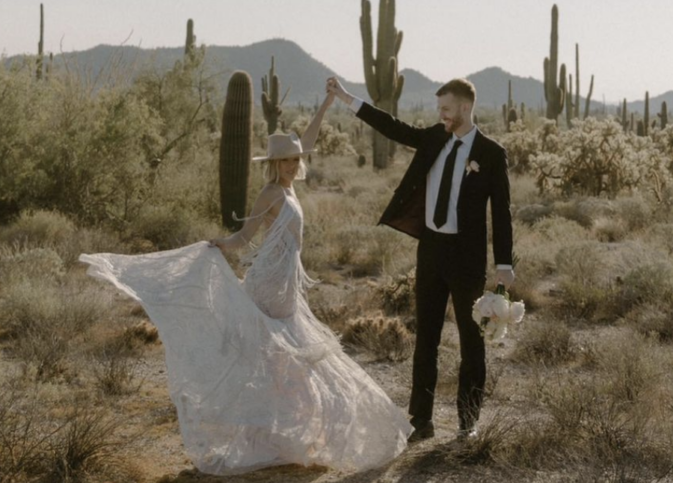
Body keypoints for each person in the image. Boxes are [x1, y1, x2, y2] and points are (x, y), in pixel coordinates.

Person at [80, 92, 410, 474]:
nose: (292, 165)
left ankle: (282, 431)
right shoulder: (271, 192)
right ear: (273, 163)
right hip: (270, 283)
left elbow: (309, 140)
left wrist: (325, 104)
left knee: (283, 360)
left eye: (295, 159)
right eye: (285, 160)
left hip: (286, 284)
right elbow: (244, 238)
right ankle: (272, 432)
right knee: (276, 358)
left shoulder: (290, 188)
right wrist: (219, 245)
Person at [327, 75, 514, 442]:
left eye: (446, 109)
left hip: (467, 258)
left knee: (471, 342)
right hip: (430, 251)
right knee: (426, 337)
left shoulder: (491, 154)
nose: (441, 115)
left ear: (464, 108)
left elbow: (503, 212)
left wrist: (505, 264)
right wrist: (348, 99)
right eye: (438, 109)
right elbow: (392, 127)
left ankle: (467, 424)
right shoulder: (433, 138)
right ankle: (421, 421)